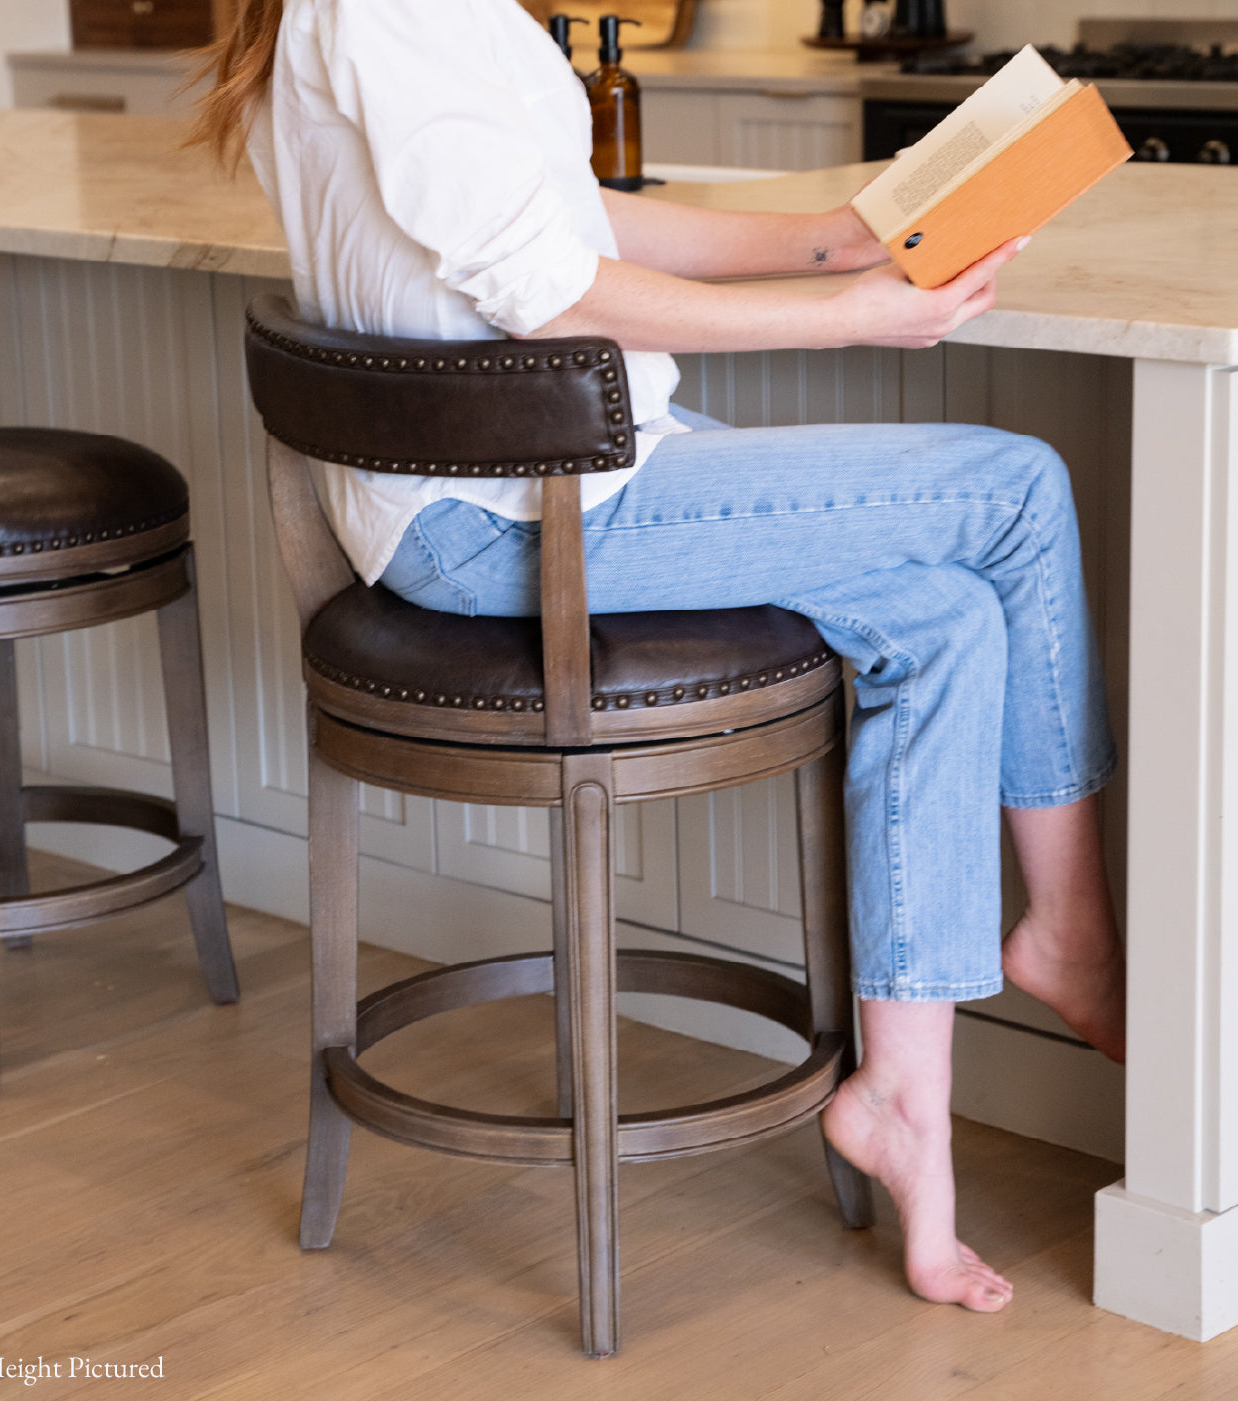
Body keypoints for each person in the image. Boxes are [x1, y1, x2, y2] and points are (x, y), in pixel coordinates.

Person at [191, 0, 1126, 1314]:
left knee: (946, 616)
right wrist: (841, 314)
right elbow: (545, 290)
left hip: (560, 486)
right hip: (507, 519)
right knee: (1016, 489)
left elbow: (566, 218)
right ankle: (1071, 938)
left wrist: (832, 237)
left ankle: (901, 1104)